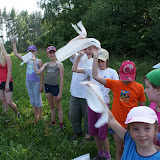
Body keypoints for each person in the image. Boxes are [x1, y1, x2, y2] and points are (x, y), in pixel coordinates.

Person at [92, 47, 146, 160]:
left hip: (132, 125)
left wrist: (141, 124)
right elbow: (96, 76)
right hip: (117, 124)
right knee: (119, 149)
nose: (126, 80)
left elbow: (142, 107)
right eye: (124, 77)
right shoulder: (116, 84)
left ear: (135, 75)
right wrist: (95, 57)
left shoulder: (139, 87)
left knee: (134, 149)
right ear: (119, 74)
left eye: (129, 78)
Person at [72, 48, 119, 160]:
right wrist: (79, 56)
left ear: (107, 60)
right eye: (98, 61)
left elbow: (118, 87)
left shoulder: (111, 72)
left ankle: (108, 156)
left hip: (103, 106)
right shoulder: (90, 69)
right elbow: (74, 69)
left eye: (102, 61)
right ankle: (100, 154)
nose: (100, 63)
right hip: (91, 104)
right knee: (94, 132)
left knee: (103, 135)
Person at [32, 46, 64, 131]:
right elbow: (38, 72)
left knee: (58, 106)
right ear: (47, 55)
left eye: (53, 52)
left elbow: (61, 79)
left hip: (55, 86)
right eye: (50, 53)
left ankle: (61, 125)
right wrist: (34, 62)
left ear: (55, 53)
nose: (52, 54)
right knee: (51, 105)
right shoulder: (46, 64)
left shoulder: (59, 65)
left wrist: (60, 92)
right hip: (47, 86)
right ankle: (53, 122)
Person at [12, 39, 43, 123]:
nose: (31, 53)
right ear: (27, 53)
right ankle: (36, 118)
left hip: (36, 82)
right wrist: (14, 44)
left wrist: (41, 85)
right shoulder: (26, 60)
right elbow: (16, 54)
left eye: (33, 51)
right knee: (32, 100)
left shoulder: (38, 61)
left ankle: (40, 118)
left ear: (36, 52)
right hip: (28, 82)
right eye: (30, 51)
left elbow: (42, 74)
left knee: (38, 101)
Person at [69, 46, 93, 140]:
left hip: (86, 94)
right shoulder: (76, 57)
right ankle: (77, 132)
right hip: (74, 93)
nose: (87, 51)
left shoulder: (94, 61)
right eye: (85, 49)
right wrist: (79, 55)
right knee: (73, 115)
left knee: (87, 117)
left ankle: (88, 136)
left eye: (89, 49)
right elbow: (69, 47)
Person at [0, 42, 20, 118]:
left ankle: (17, 114)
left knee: (9, 101)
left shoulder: (6, 57)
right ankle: (6, 117)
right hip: (0, 81)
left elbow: (9, 71)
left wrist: (7, 83)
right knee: (3, 100)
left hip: (7, 81)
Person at [144, 69, 160, 150]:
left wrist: (146, 145)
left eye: (147, 87)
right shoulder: (153, 104)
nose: (144, 90)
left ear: (158, 90)